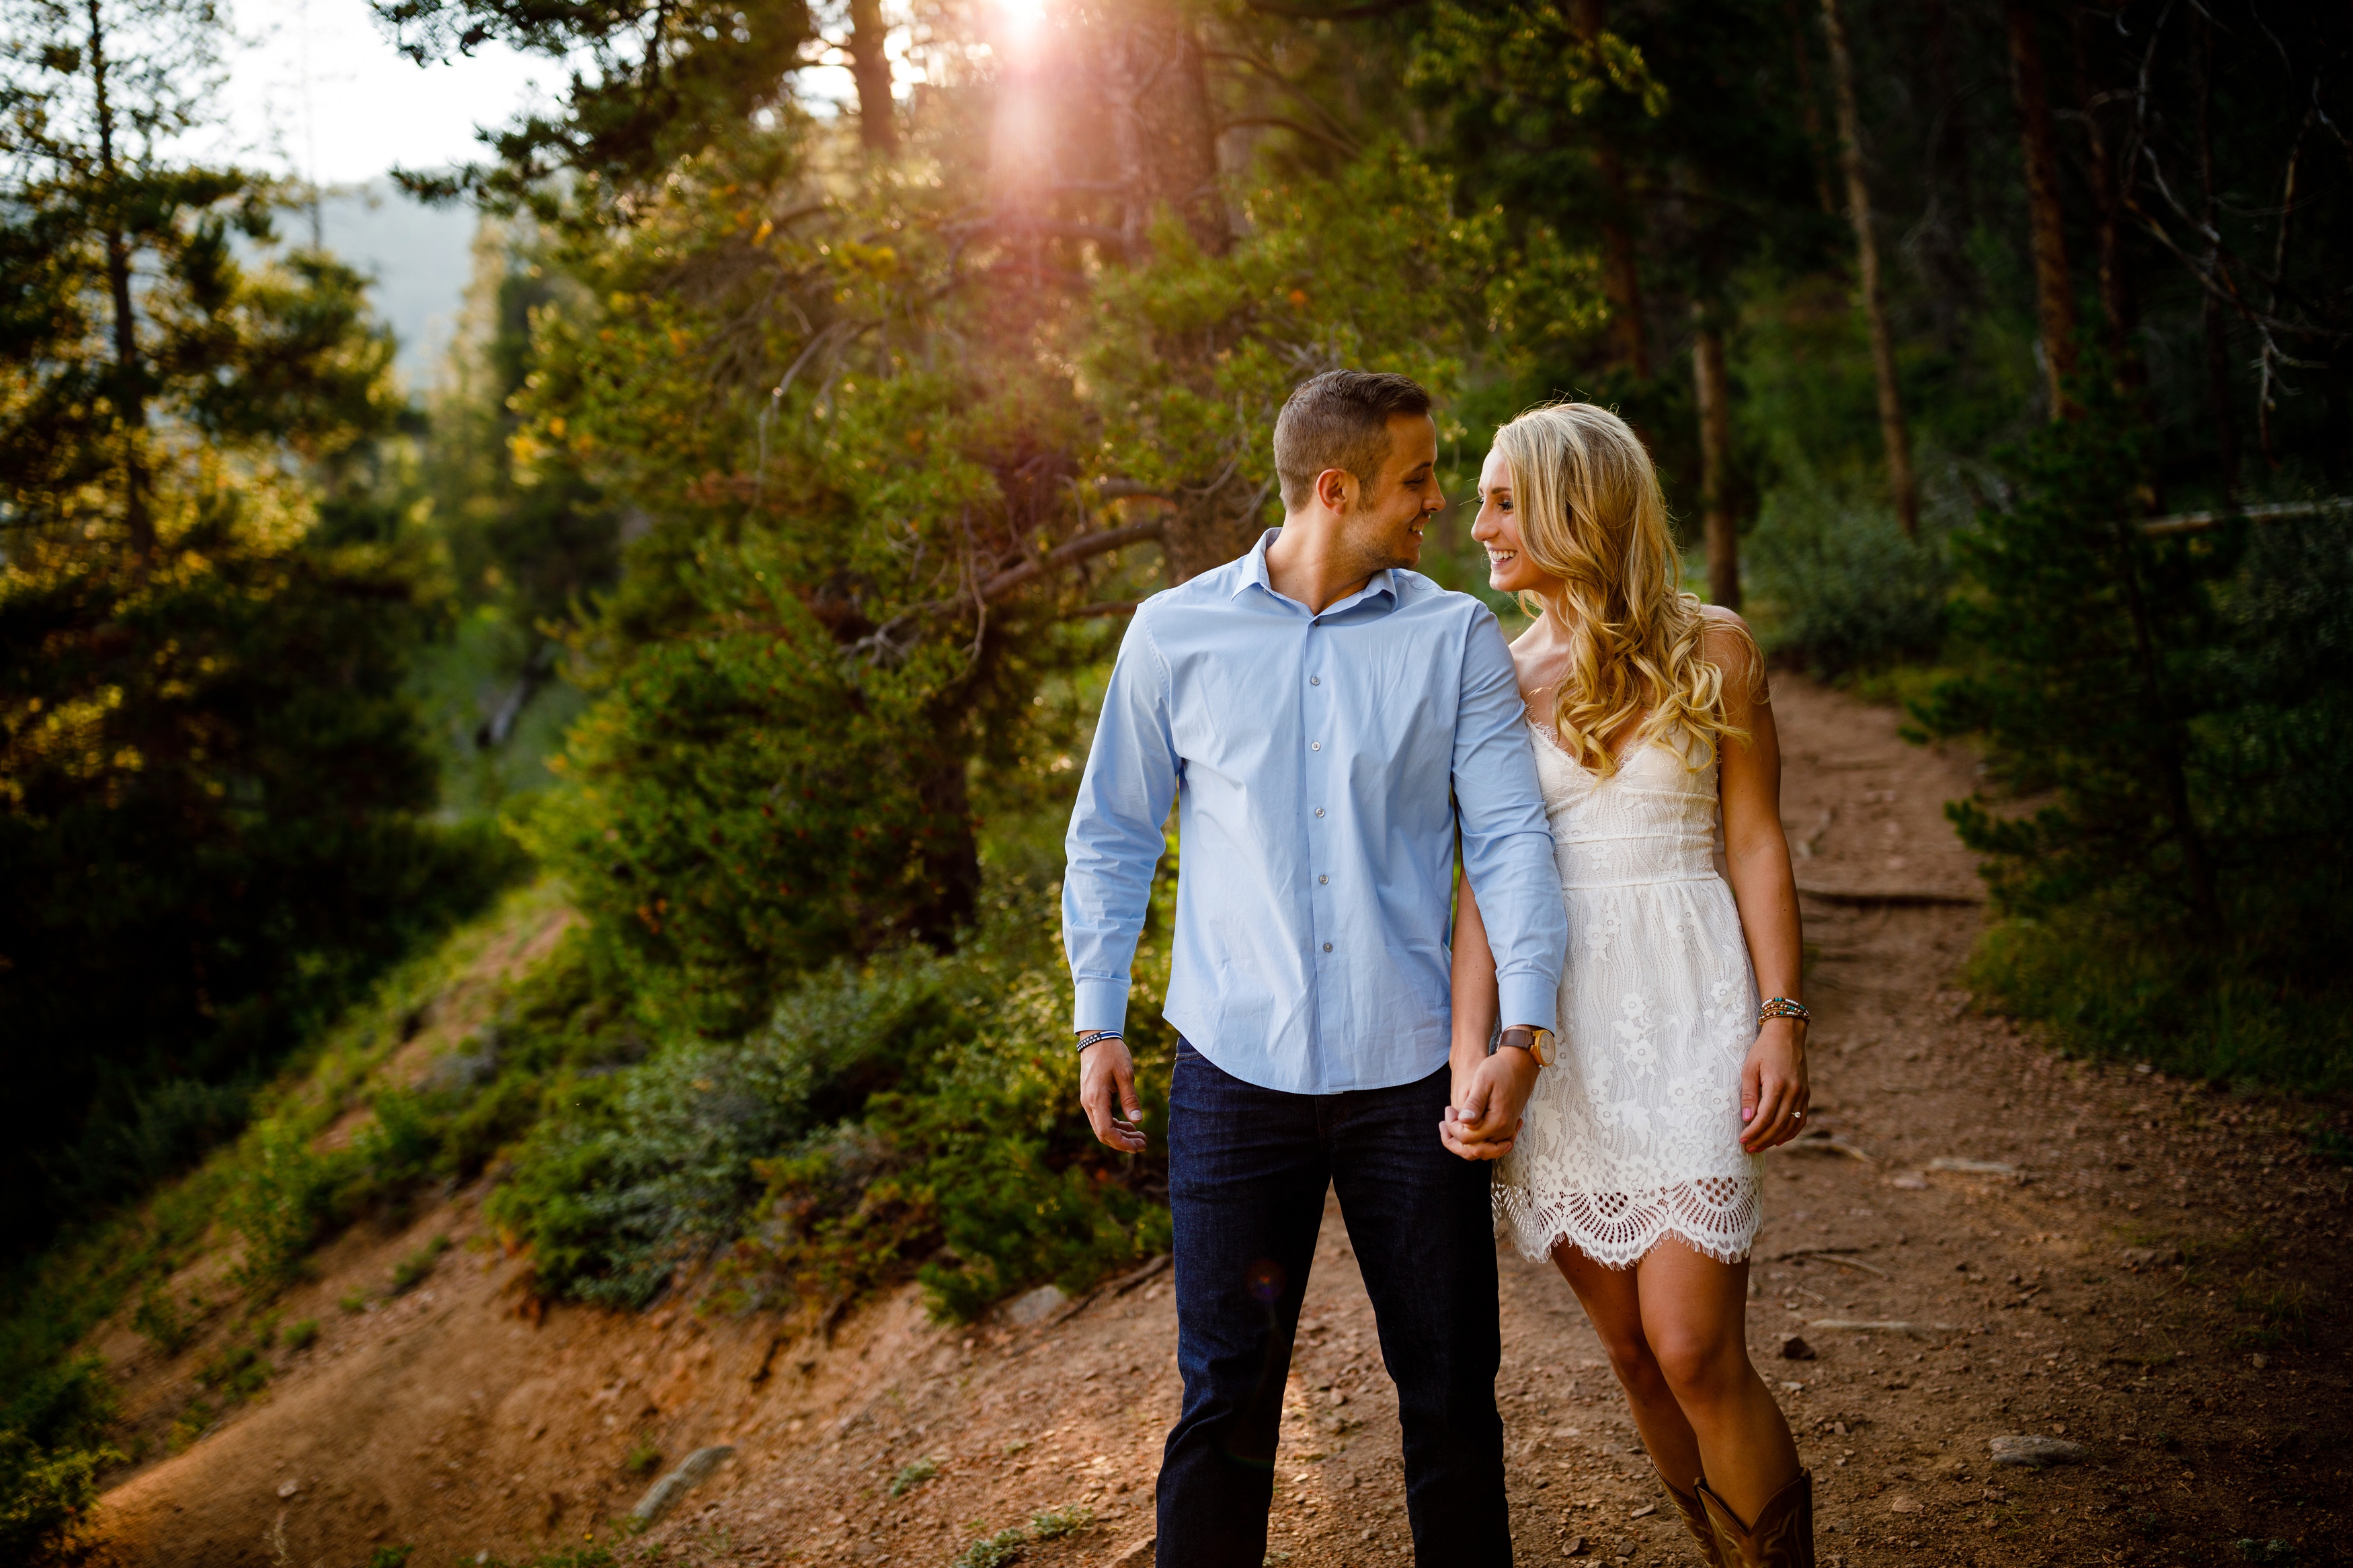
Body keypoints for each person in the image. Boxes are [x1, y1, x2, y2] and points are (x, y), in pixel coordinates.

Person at [1062, 369, 1569, 1567]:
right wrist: (1099, 1021)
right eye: (1418, 479)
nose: (1439, 503)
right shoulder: (1173, 633)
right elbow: (1112, 833)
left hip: (1414, 1085)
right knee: (1226, 1399)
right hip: (1237, 1076)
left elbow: (1508, 839)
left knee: (1451, 1394)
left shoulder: (1453, 638)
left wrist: (1522, 1032)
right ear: (1335, 490)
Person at [1445, 402, 1816, 1568]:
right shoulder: (1492, 682)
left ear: (1574, 503)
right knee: (1633, 1356)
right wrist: (1471, 1055)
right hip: (1564, 1043)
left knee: (1697, 1345)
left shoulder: (1717, 648)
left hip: (1694, 1008)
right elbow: (1482, 895)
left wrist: (1781, 1014)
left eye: (1503, 499)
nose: (1479, 525)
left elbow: (1756, 842)